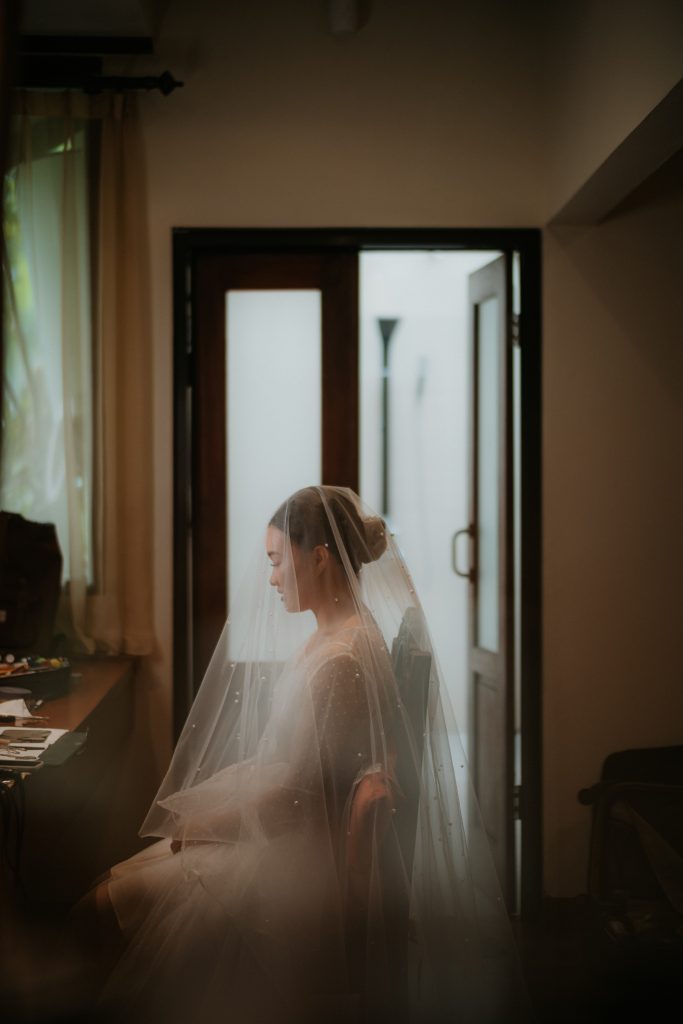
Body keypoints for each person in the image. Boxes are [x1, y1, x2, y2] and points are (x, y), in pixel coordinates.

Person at [75, 485, 527, 1023]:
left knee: (98, 910)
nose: (270, 579)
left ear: (318, 558)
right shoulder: (337, 636)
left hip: (296, 858)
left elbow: (298, 799)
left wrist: (208, 826)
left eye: (276, 561)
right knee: (111, 892)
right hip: (290, 829)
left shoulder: (341, 659)